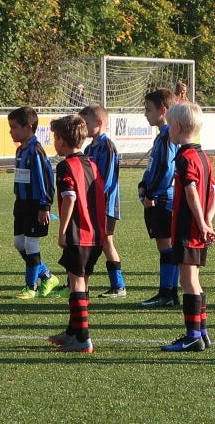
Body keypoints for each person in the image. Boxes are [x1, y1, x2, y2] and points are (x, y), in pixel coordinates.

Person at [161, 103, 215, 352]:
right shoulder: (203, 156)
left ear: (177, 127)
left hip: (187, 228)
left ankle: (193, 336)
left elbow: (191, 191)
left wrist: (201, 222)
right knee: (194, 280)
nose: (168, 131)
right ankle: (202, 332)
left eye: (169, 126)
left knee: (188, 282)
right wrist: (208, 220)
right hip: (199, 228)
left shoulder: (184, 157)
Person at [46, 115, 106, 353]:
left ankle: (82, 338)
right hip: (96, 233)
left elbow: (70, 198)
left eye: (55, 137)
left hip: (79, 233)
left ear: (61, 140)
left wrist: (62, 230)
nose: (54, 142)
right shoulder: (92, 163)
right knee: (81, 281)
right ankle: (73, 331)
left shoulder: (65, 166)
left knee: (76, 282)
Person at [8, 106, 64, 299]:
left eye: (14, 127)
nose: (11, 131)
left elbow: (46, 180)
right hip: (21, 204)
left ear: (29, 126)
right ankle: (47, 277)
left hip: (35, 204)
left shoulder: (36, 151)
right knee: (19, 243)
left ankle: (31, 287)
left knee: (32, 245)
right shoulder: (20, 150)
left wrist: (44, 206)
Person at [137, 88, 181, 307]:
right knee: (166, 247)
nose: (146, 114)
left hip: (163, 200)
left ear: (163, 110)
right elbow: (155, 167)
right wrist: (143, 184)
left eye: (148, 109)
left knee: (166, 247)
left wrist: (152, 193)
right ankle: (169, 293)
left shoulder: (167, 136)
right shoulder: (163, 136)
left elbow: (167, 170)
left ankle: (168, 293)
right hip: (161, 197)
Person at [79, 105, 127, 298]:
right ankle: (83, 283)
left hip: (106, 204)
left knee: (106, 241)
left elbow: (106, 180)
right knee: (99, 242)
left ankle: (119, 286)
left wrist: (94, 197)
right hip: (92, 203)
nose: (83, 127)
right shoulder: (89, 147)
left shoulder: (107, 147)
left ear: (98, 123)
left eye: (86, 123)